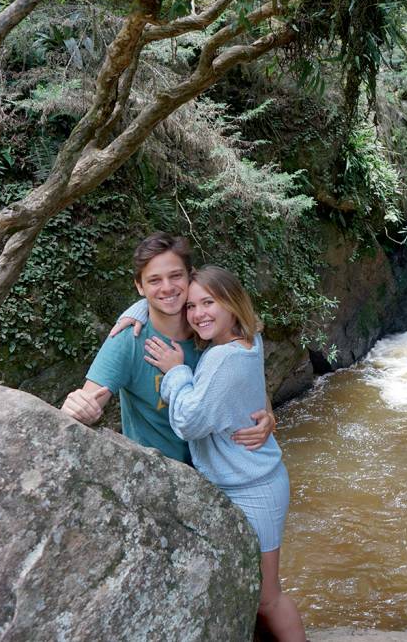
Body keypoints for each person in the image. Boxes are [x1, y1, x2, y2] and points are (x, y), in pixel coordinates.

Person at [132, 265, 305, 642]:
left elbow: (191, 422)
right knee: (252, 588)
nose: (197, 314)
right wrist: (135, 311)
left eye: (209, 302)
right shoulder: (247, 338)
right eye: (191, 306)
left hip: (253, 488)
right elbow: (162, 298)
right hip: (242, 480)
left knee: (267, 598)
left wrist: (176, 373)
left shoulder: (222, 358)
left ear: (231, 303)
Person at [60, 233, 274, 462]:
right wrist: (76, 409)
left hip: (225, 476)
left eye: (175, 276)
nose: (167, 288)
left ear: (190, 277)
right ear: (140, 287)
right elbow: (85, 405)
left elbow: (247, 376)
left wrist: (269, 416)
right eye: (154, 280)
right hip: (164, 480)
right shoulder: (128, 340)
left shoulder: (209, 325)